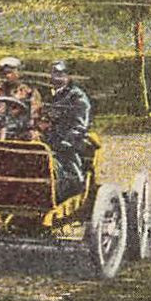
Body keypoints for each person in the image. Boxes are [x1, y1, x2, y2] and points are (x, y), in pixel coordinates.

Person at [39, 60, 92, 199]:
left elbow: (80, 125)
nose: (55, 78)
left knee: (67, 161)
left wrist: (64, 140)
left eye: (60, 74)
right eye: (53, 74)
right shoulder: (46, 95)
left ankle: (75, 186)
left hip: (68, 141)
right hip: (46, 140)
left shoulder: (77, 97)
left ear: (68, 76)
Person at [0, 56, 42, 127]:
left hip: (21, 129)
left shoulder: (30, 93)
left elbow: (35, 114)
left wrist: (31, 122)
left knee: (35, 135)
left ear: (19, 73)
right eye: (2, 73)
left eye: (9, 72)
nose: (6, 76)